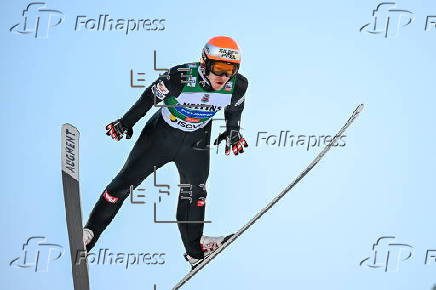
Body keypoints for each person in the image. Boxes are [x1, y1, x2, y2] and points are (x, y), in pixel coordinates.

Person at [83, 36, 249, 268]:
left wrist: (233, 132)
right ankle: (89, 234)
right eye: (219, 68)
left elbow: (234, 109)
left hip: (196, 143)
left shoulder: (238, 84)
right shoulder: (179, 77)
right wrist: (125, 122)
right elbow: (147, 100)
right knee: (123, 184)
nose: (223, 77)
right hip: (160, 137)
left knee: (196, 194)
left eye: (230, 70)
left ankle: (195, 250)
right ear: (204, 64)